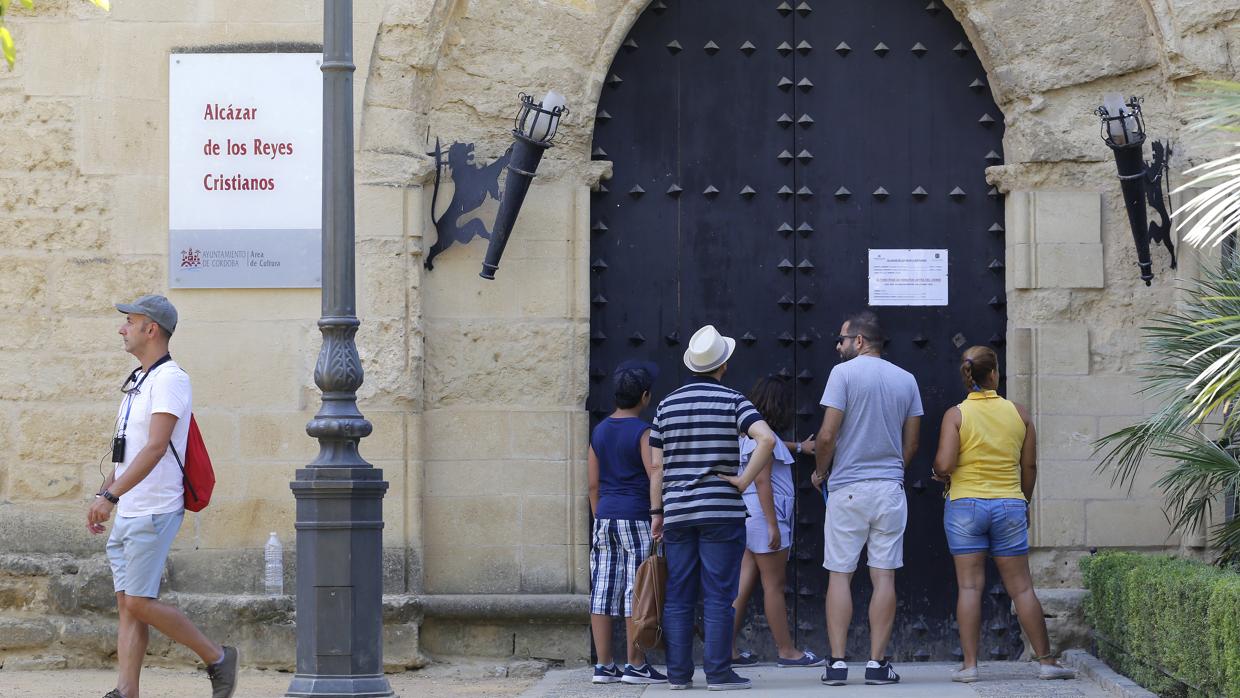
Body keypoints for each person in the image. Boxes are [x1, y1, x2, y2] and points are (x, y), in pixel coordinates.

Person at [87, 295, 238, 698]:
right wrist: (106, 493)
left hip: (154, 508)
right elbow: (128, 449)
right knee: (127, 603)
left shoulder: (171, 380)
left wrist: (112, 497)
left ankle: (218, 657)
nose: (122, 328)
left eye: (129, 321)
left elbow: (155, 447)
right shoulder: (140, 381)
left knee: (138, 603)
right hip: (131, 508)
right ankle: (126, 692)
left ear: (150, 329)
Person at [930, 346, 1076, 683]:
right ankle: (1046, 662)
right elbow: (1030, 466)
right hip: (1009, 504)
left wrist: (939, 473)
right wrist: (1022, 502)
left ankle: (969, 666)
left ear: (966, 375)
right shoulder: (1019, 413)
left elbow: (945, 464)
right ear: (994, 373)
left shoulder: (956, 415)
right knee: (1022, 588)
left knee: (969, 588)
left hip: (965, 505)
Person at [649, 325, 778, 691]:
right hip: (721, 512)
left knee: (678, 595)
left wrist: (657, 513)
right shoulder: (734, 401)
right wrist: (742, 481)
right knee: (719, 594)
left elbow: (657, 467)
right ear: (723, 364)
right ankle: (719, 674)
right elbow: (766, 439)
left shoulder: (666, 405)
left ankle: (678, 676)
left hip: (677, 513)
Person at [810, 311, 921, 687]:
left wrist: (821, 472)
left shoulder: (843, 374)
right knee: (883, 575)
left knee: (840, 575)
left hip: (848, 489)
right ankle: (877, 665)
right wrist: (892, 471)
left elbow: (826, 436)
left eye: (842, 340)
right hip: (889, 490)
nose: (839, 347)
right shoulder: (906, 380)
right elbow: (912, 442)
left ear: (859, 341)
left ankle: (837, 664)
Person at [730, 376, 823, 668]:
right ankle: (787, 651)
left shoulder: (754, 434)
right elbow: (762, 480)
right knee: (773, 586)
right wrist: (772, 525)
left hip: (747, 516)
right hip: (764, 517)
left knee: (743, 584)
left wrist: (798, 448)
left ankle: (726, 649)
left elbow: (771, 448)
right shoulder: (765, 439)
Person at [588, 360, 668, 686]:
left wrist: (599, 513)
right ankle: (635, 664)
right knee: (636, 590)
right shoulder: (644, 432)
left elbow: (592, 484)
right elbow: (654, 476)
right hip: (636, 517)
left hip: (605, 516)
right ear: (645, 396)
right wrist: (657, 515)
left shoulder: (600, 430)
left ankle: (604, 665)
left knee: (603, 590)